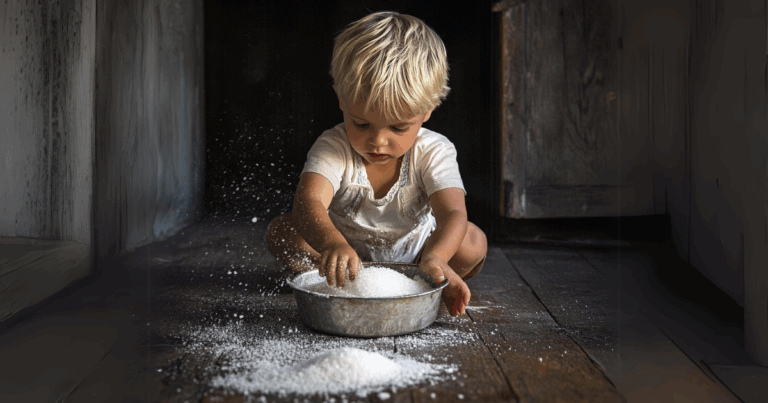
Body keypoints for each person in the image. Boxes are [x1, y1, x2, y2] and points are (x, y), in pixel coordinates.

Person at [265, 11, 486, 316]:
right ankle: (334, 277)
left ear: (427, 111)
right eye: (361, 124)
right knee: (283, 231)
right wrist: (331, 245)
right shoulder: (333, 146)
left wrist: (435, 257)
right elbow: (309, 201)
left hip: (417, 258)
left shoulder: (433, 150)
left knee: (472, 240)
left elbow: (452, 212)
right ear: (341, 99)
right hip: (344, 254)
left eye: (397, 128)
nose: (378, 141)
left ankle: (433, 279)